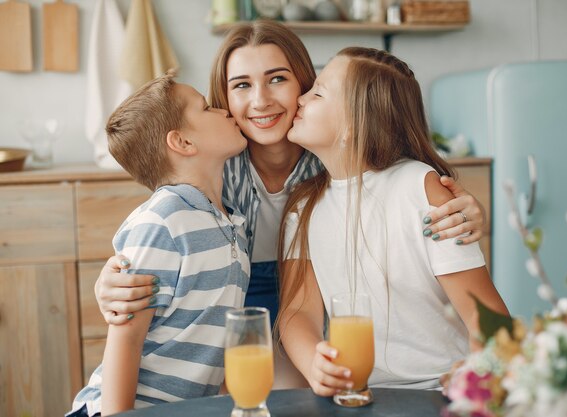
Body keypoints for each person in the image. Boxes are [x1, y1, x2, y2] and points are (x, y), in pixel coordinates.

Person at [91, 21, 486, 388]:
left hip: (331, 309)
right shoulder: (211, 163)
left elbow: (395, 178)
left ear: (305, 85)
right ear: (224, 98)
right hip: (237, 307)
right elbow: (157, 236)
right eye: (241, 85)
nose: (261, 100)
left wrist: (466, 209)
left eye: (277, 79)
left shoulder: (331, 153)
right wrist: (112, 280)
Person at [277, 47, 509, 396]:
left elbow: (487, 319)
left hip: (439, 390)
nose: (300, 99)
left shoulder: (423, 189)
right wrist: (314, 363)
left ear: (353, 125)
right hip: (360, 393)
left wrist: (474, 382)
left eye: (318, 92)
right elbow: (298, 311)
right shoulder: (303, 208)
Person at [68, 72, 250, 416]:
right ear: (182, 142)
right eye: (207, 107)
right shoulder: (163, 220)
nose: (224, 110)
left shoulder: (232, 223)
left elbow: (217, 347)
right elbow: (126, 338)